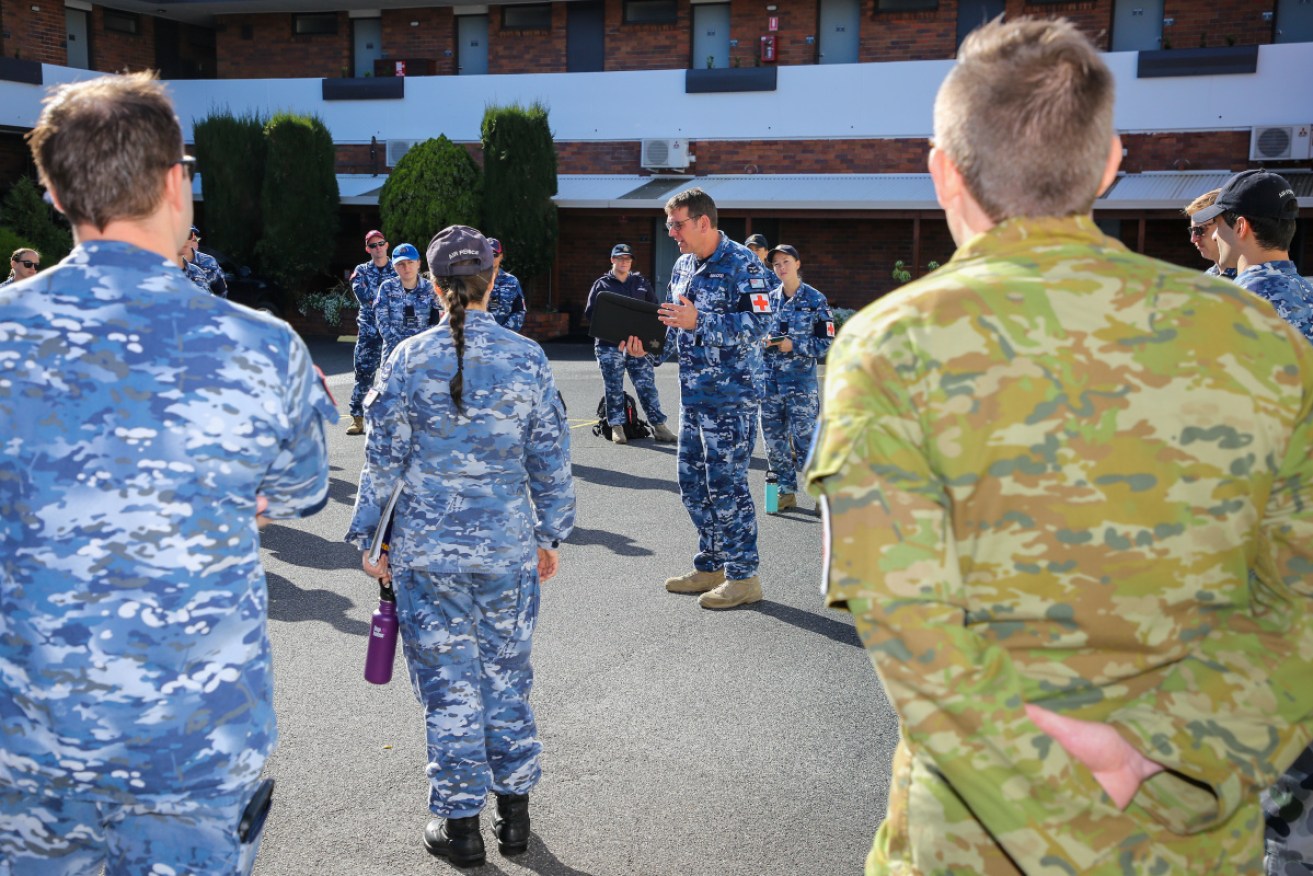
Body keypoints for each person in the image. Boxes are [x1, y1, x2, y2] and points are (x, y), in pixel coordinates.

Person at [805, 18, 1313, 875]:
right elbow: (1297, 604)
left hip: (973, 837)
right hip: (1188, 828)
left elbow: (905, 624)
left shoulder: (890, 343)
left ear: (942, 172)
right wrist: (1169, 761)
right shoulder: (1257, 340)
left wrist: (1057, 784)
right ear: (1108, 161)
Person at [0, 71, 336, 876]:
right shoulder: (260, 347)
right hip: (195, 735)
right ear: (176, 181)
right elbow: (301, 493)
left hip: (34, 731)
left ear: (51, 191)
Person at [346, 225, 575, 868]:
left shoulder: (409, 357)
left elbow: (383, 458)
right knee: (507, 680)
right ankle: (516, 818)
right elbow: (551, 456)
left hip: (427, 553)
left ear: (437, 285)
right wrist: (550, 534)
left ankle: (460, 825)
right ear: (491, 281)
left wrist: (372, 538)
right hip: (506, 549)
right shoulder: (527, 357)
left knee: (450, 688)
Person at [623, 188, 776, 610]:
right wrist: (650, 347)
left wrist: (700, 320)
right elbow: (675, 326)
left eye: (678, 224)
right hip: (693, 397)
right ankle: (711, 566)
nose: (671, 232)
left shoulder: (745, 264)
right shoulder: (684, 265)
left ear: (703, 222)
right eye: (669, 224)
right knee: (693, 485)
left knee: (727, 487)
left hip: (732, 399)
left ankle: (744, 578)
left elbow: (761, 324)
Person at [1195, 169, 1313, 345]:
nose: (1214, 236)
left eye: (1218, 225)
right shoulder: (1307, 292)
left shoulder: (1235, 304)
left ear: (1240, 227)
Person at [760, 243, 833, 512]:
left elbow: (826, 342)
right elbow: (754, 335)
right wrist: (764, 342)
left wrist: (797, 345)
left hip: (801, 384)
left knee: (806, 441)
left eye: (786, 262)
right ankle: (785, 491)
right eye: (776, 264)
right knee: (774, 440)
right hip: (770, 383)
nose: (781, 268)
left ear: (798, 264)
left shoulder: (815, 300)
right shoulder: (767, 300)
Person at [583, 242, 677, 445]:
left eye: (627, 258)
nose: (624, 261)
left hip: (638, 346)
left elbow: (654, 312)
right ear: (612, 260)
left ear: (631, 261)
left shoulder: (641, 282)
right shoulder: (602, 284)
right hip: (610, 345)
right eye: (619, 258)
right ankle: (617, 426)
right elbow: (591, 314)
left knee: (647, 385)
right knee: (613, 386)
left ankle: (659, 427)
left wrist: (645, 343)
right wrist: (613, 332)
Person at [347, 229, 397, 435]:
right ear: (368, 249)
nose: (377, 248)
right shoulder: (361, 271)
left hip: (393, 333)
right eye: (373, 245)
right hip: (369, 333)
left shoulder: (398, 268)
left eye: (381, 243)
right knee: (364, 376)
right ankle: (358, 418)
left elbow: (406, 291)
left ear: (387, 245)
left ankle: (390, 418)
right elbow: (364, 297)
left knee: (394, 377)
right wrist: (389, 299)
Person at [374, 242, 441, 362]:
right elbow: (383, 323)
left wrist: (418, 343)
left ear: (418, 263)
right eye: (401, 264)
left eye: (410, 262)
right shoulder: (386, 288)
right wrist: (403, 344)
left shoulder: (430, 289)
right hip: (393, 354)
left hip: (423, 354)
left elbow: (436, 320)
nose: (406, 267)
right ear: (394, 267)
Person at [1183, 189, 1237, 279]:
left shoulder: (1254, 281)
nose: (1193, 239)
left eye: (1200, 230)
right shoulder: (1206, 278)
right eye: (1192, 230)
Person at [487, 237, 526, 332]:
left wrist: (504, 332)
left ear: (501, 256)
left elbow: (519, 311)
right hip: (479, 338)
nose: (491, 258)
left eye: (494, 254)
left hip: (504, 339)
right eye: (487, 254)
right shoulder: (473, 280)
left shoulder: (511, 281)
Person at [186, 225, 229, 298]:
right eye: (180, 236)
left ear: (193, 237)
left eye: (188, 235)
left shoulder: (209, 262)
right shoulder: (164, 262)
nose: (184, 240)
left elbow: (221, 292)